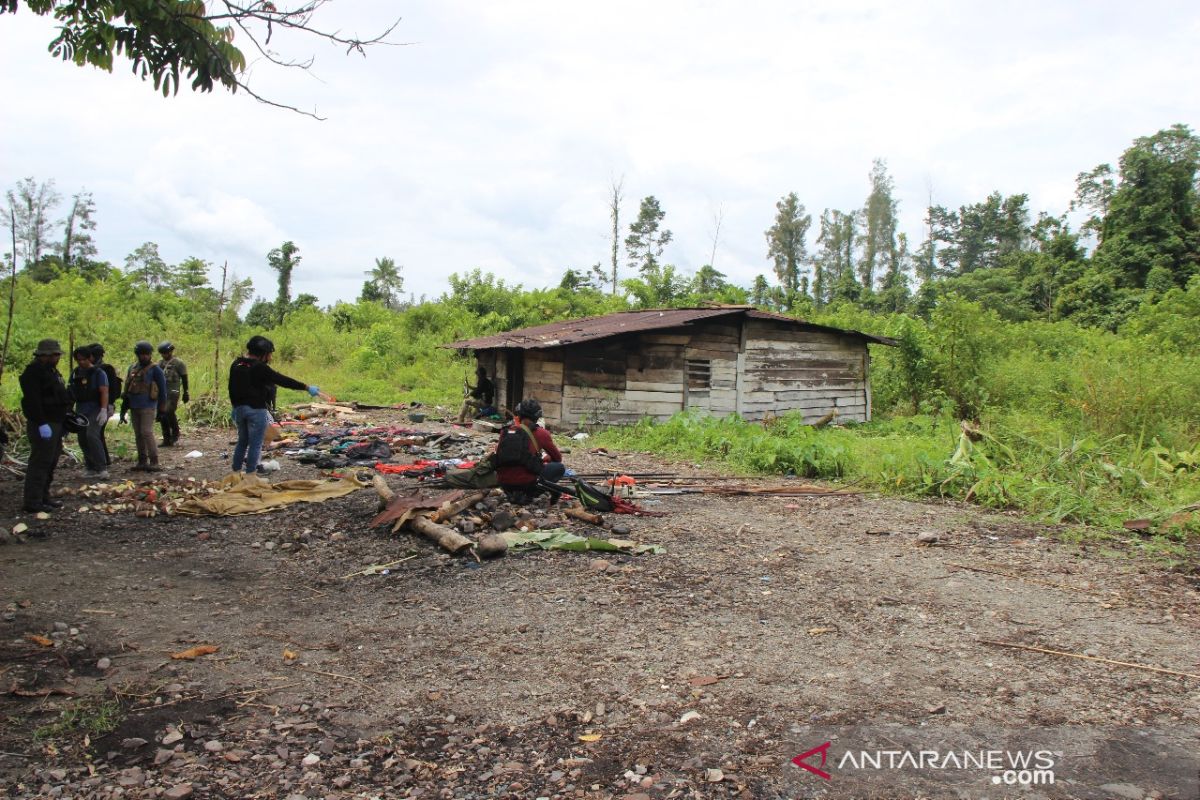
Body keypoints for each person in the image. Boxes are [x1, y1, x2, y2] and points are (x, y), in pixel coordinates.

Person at [228, 335, 320, 474]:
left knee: (242, 442)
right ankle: (250, 476)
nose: (270, 358)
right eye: (269, 354)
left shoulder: (237, 364)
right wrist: (306, 387)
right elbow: (282, 380)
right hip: (256, 410)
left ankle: (235, 474)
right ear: (262, 354)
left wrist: (235, 406)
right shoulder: (259, 367)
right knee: (256, 444)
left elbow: (231, 387)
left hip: (239, 409)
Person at [19, 339, 72, 513]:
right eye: (55, 355)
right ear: (45, 355)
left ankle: (43, 496)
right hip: (43, 422)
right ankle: (32, 501)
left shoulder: (50, 371)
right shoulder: (33, 373)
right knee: (40, 462)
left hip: (55, 421)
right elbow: (33, 401)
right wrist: (41, 423)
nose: (58, 357)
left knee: (51, 461)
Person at [495, 398, 566, 497]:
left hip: (505, 485)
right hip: (528, 486)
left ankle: (513, 492)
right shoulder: (542, 433)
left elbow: (499, 455)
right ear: (537, 417)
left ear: (519, 415)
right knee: (559, 467)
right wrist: (546, 458)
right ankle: (531, 494)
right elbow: (557, 458)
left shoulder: (506, 431)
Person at [119, 340, 168, 472]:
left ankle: (154, 461)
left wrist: (162, 410)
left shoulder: (155, 369)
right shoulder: (132, 368)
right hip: (134, 405)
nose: (144, 357)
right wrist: (123, 410)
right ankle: (142, 461)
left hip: (148, 406)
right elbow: (127, 390)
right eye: (142, 354)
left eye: (147, 354)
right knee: (138, 434)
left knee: (146, 432)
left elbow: (163, 391)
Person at [69, 345, 110, 479]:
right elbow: (71, 391)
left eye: (84, 359)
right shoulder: (75, 373)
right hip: (81, 409)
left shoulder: (99, 373)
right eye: (79, 360)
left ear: (90, 358)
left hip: (96, 408)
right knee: (82, 438)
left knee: (92, 435)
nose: (81, 362)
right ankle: (90, 466)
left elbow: (104, 391)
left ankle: (102, 467)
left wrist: (104, 410)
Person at [88, 343, 120, 468]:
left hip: (104, 406)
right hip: (96, 405)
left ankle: (103, 461)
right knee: (98, 434)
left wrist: (109, 405)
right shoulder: (91, 369)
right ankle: (104, 459)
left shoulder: (106, 369)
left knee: (96, 434)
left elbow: (111, 388)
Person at [157, 341, 189, 447]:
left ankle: (175, 434)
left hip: (173, 392)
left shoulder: (178, 363)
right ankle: (166, 438)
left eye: (166, 352)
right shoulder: (160, 363)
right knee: (162, 415)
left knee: (169, 412)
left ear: (171, 351)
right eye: (162, 353)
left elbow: (184, 378)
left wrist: (186, 392)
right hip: (162, 393)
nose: (164, 355)